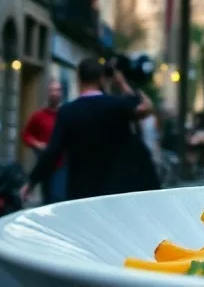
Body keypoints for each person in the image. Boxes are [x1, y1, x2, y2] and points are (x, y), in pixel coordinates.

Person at [24, 57, 158, 203]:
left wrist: (31, 182)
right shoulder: (117, 105)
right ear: (101, 79)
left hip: (81, 192)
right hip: (114, 190)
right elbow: (145, 105)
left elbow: (53, 151)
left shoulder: (68, 111)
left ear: (78, 79)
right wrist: (121, 81)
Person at [21, 79, 66, 203]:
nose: (54, 93)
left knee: (58, 197)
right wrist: (37, 144)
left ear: (61, 93)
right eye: (52, 90)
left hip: (62, 165)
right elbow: (26, 135)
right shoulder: (38, 116)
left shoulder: (66, 114)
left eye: (57, 90)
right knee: (47, 199)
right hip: (44, 165)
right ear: (47, 93)